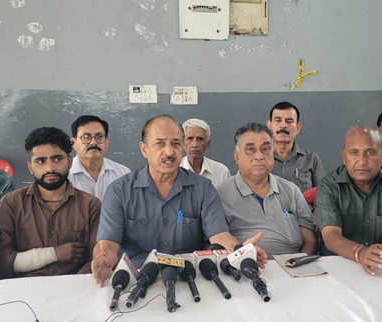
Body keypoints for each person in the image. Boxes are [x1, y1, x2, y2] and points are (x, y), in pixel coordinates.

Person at [90, 115, 268, 287]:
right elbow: (108, 244)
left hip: (189, 278)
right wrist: (103, 258)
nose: (169, 152)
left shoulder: (203, 188)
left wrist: (240, 250)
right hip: (138, 277)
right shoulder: (119, 191)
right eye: (160, 143)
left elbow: (219, 235)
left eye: (175, 144)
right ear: (144, 149)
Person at [316, 126, 382, 276]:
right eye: (354, 153)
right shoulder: (328, 185)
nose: (362, 161)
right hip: (338, 269)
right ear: (344, 156)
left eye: (370, 152)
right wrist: (359, 253)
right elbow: (330, 236)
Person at [0, 127, 101, 279]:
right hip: (23, 292)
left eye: (57, 159)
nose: (50, 167)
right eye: (40, 161)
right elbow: (2, 261)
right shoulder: (11, 204)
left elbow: (95, 261)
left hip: (75, 291)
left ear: (70, 162)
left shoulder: (91, 206)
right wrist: (54, 254)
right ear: (30, 167)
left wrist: (69, 289)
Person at [217, 123, 317, 256]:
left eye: (265, 149)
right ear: (237, 157)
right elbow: (214, 243)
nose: (259, 156)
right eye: (251, 150)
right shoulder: (220, 195)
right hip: (246, 267)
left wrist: (298, 265)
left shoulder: (291, 191)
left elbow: (310, 241)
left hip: (293, 267)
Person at [68, 115, 130, 200]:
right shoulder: (64, 175)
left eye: (99, 137)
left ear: (106, 142)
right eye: (86, 137)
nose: (93, 143)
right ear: (73, 143)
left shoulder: (123, 174)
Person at [267, 101, 324, 192]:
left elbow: (323, 196)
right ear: (269, 126)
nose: (283, 126)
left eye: (289, 121)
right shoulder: (260, 159)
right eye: (278, 120)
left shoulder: (311, 159)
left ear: (298, 127)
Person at [180, 118, 231, 187]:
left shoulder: (221, 172)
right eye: (190, 138)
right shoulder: (174, 170)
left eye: (200, 139)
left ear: (208, 144)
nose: (195, 145)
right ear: (182, 143)